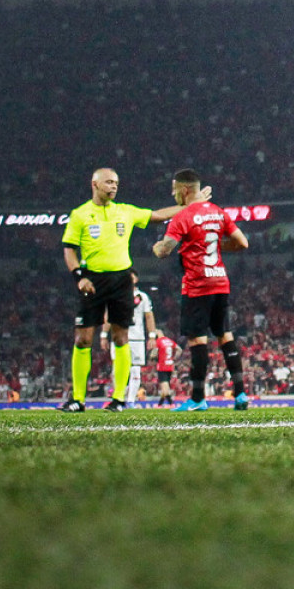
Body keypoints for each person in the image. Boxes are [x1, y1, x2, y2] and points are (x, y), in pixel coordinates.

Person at [58, 167, 193, 412]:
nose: (113, 186)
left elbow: (158, 215)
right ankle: (77, 399)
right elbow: (69, 249)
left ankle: (119, 399)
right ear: (95, 184)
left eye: (116, 183)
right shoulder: (80, 215)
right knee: (82, 338)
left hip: (121, 280)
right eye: (109, 182)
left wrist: (190, 206)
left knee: (121, 337)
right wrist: (79, 276)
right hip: (92, 280)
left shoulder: (125, 212)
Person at [152, 168, 250, 412]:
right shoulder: (218, 212)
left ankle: (197, 398)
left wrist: (156, 248)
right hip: (220, 281)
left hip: (198, 284)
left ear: (185, 190)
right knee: (225, 336)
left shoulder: (183, 217)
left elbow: (165, 250)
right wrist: (216, 245)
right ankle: (240, 395)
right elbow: (242, 242)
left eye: (175, 190)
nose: (173, 194)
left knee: (198, 339)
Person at [123, 282, 159, 406]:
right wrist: (104, 334)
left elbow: (149, 316)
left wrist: (152, 336)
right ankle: (118, 398)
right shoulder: (118, 293)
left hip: (137, 338)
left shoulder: (142, 296)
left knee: (135, 370)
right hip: (120, 337)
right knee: (119, 369)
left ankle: (131, 400)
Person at [153, 332, 178, 407]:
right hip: (170, 365)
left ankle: (171, 403)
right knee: (165, 386)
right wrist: (174, 358)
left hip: (162, 366)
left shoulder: (158, 341)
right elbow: (179, 349)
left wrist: (152, 356)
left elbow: (154, 353)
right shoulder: (170, 341)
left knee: (165, 388)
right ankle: (159, 405)